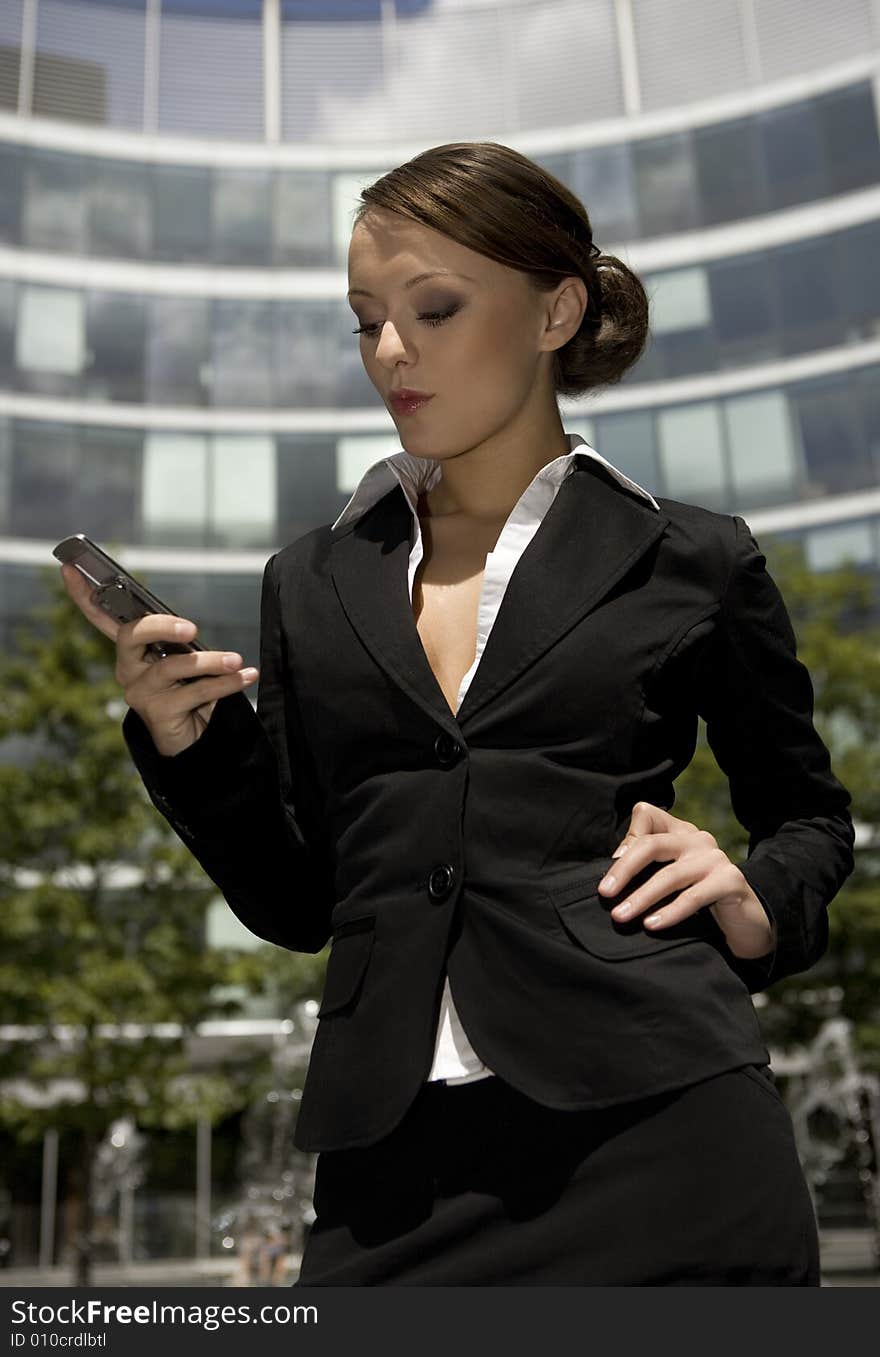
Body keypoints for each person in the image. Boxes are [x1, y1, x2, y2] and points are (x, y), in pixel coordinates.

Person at [61, 141, 855, 1286]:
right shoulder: (314, 578)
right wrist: (189, 743)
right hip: (388, 1168)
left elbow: (810, 819)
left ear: (554, 313)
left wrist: (751, 895)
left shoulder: (693, 558)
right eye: (366, 319)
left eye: (433, 308)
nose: (390, 351)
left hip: (662, 1130)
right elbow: (297, 901)